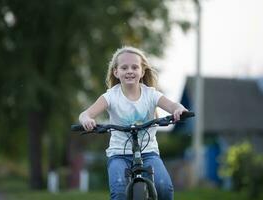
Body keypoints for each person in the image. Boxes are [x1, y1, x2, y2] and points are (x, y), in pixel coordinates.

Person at [79, 46, 188, 200]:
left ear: (142, 71)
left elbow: (173, 106)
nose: (129, 70)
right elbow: (85, 114)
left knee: (164, 186)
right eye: (124, 67)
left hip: (149, 153)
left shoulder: (151, 95)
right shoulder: (111, 97)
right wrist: (87, 119)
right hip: (119, 154)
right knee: (119, 191)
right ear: (116, 72)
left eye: (134, 67)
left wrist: (178, 110)